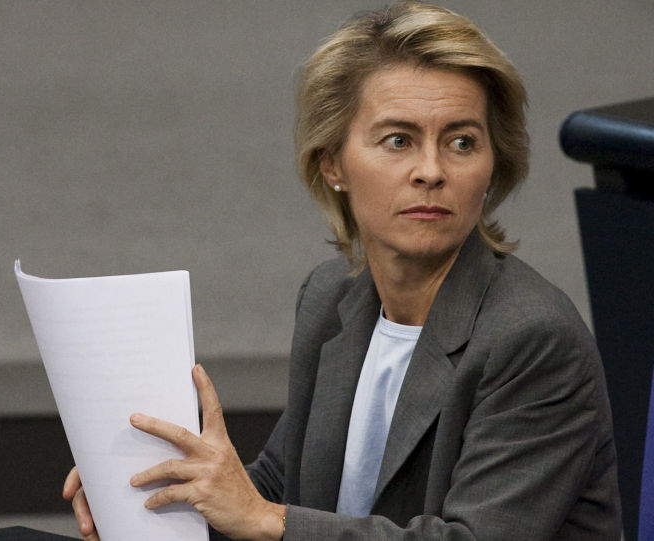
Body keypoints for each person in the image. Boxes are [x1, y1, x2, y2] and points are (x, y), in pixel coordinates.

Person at [62, 1, 622, 539]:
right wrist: (148, 497)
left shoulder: (532, 339)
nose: (431, 170)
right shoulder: (332, 297)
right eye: (399, 140)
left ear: (493, 165)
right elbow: (282, 487)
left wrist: (264, 519)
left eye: (461, 142)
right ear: (332, 164)